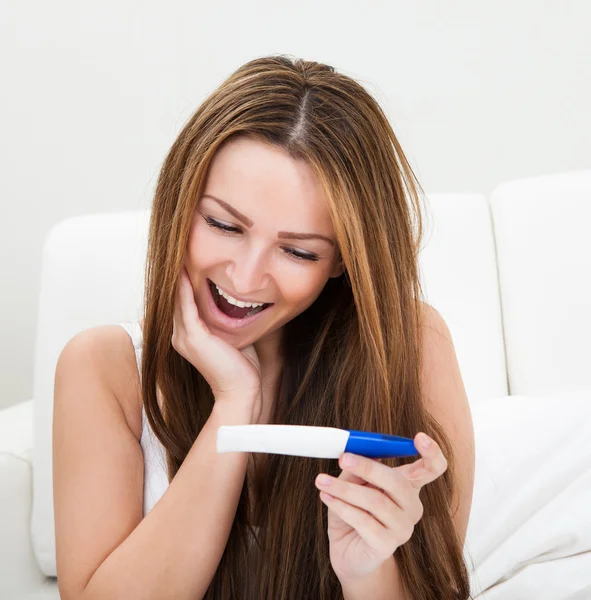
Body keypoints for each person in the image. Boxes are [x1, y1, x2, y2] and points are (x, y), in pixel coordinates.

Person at [52, 55, 475, 600]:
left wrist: (369, 571)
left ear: (343, 261)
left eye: (299, 251)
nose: (245, 277)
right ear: (180, 203)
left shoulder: (409, 346)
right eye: (223, 225)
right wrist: (234, 403)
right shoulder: (104, 367)